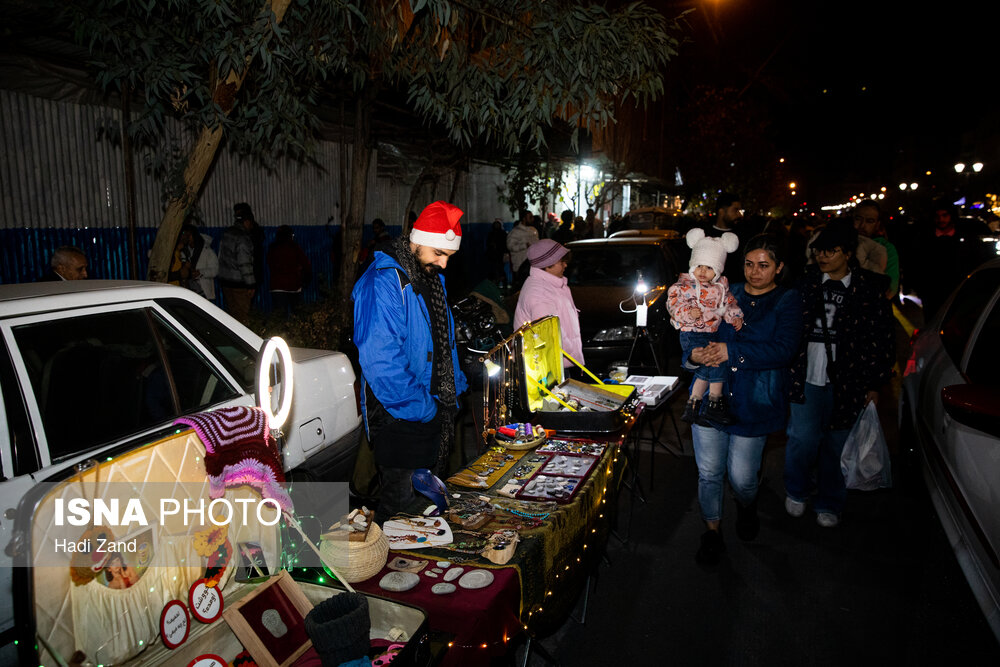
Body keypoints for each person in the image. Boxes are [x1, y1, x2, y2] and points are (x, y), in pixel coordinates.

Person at [685, 235, 802, 565]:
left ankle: (746, 503)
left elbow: (784, 349)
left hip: (755, 400)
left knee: (741, 478)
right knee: (709, 472)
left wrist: (731, 351)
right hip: (711, 394)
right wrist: (692, 355)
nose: (755, 272)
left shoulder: (787, 299)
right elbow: (695, 329)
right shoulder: (725, 289)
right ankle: (711, 532)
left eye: (764, 265)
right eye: (749, 264)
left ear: (779, 267)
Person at [352, 201, 469, 525]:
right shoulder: (383, 282)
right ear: (417, 241)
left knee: (425, 510)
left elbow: (442, 343)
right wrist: (425, 409)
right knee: (401, 514)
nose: (443, 263)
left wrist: (455, 389)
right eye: (439, 253)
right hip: (399, 417)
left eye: (449, 256)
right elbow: (381, 362)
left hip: (429, 412)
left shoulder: (428, 276)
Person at [784, 219, 894, 528]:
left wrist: (875, 383)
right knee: (802, 438)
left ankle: (830, 502)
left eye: (830, 251)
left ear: (847, 253)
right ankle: (797, 489)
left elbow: (881, 338)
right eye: (818, 251)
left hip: (848, 380)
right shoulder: (804, 283)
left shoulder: (868, 289)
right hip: (806, 375)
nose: (822, 257)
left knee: (837, 443)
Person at [668, 228, 744, 425]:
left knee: (710, 362)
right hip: (691, 333)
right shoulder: (683, 286)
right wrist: (688, 313)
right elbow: (673, 306)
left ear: (717, 270)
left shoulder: (721, 287)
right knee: (715, 361)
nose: (702, 271)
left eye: (709, 267)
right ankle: (714, 402)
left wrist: (735, 317)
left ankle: (693, 404)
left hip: (711, 332)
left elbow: (729, 304)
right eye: (699, 266)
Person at [513, 239, 584, 369]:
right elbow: (549, 333)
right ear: (547, 265)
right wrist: (571, 351)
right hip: (546, 367)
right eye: (561, 262)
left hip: (556, 362)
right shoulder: (540, 293)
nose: (565, 265)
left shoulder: (552, 285)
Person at [218, 203, 258, 324]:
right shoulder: (243, 238)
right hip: (239, 284)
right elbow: (244, 263)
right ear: (247, 222)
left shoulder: (227, 233)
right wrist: (251, 285)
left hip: (226, 282)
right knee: (243, 317)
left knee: (232, 316)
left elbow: (221, 257)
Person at [853, 200, 899, 299]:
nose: (862, 225)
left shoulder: (887, 248)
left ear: (877, 224)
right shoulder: (841, 242)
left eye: (869, 221)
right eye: (858, 219)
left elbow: (890, 289)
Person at [267, 225, 312, 319]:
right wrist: (306, 279)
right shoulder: (294, 247)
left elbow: (270, 263)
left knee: (279, 317)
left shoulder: (273, 248)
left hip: (277, 286)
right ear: (290, 235)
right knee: (297, 315)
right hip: (294, 286)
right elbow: (306, 264)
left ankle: (280, 329)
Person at [704, 192, 746, 279]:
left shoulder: (742, 236)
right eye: (735, 210)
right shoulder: (705, 236)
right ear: (721, 211)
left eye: (740, 211)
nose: (739, 214)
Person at [180, 223, 219, 301]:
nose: (187, 238)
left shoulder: (207, 251)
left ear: (195, 236)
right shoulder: (183, 251)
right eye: (185, 235)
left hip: (204, 290)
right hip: (187, 290)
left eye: (189, 235)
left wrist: (200, 272)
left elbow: (215, 270)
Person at [507, 209, 539, 288]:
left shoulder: (533, 230)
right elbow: (510, 246)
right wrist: (524, 246)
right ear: (524, 218)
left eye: (532, 217)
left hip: (532, 265)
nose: (532, 219)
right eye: (530, 217)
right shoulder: (515, 232)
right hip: (520, 265)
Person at [485, 219, 509, 288]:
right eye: (495, 224)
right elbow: (488, 244)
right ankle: (497, 284)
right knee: (496, 270)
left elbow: (505, 244)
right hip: (493, 255)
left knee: (500, 270)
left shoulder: (503, 233)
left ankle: (503, 284)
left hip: (500, 255)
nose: (496, 226)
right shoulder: (491, 234)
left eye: (498, 224)